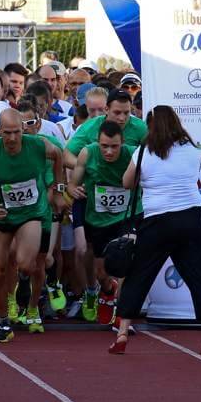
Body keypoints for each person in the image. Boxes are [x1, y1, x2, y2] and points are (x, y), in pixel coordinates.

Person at [113, 106, 201, 356]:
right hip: (192, 218)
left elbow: (127, 183)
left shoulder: (143, 152)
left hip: (158, 220)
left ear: (150, 126)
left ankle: (122, 333)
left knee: (139, 275)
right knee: (199, 275)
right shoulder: (192, 150)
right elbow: (194, 176)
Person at [0, 107, 65, 343]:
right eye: (6, 133)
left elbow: (59, 155)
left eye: (16, 132)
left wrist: (59, 190)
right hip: (0, 215)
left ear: (23, 129)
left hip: (32, 213)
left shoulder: (38, 145)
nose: (12, 138)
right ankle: (2, 321)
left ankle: (28, 300)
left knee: (25, 263)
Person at [68, 120, 139, 326]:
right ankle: (107, 292)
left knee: (124, 259)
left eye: (114, 146)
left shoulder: (133, 154)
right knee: (102, 273)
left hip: (126, 215)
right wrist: (72, 189)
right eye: (104, 146)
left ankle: (122, 313)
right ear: (97, 143)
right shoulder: (87, 153)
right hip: (98, 219)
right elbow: (73, 185)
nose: (109, 151)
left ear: (122, 143)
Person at [65, 89, 147, 169]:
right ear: (106, 109)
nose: (122, 118)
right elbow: (67, 156)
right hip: (97, 181)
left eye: (126, 113)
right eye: (117, 113)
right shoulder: (90, 127)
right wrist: (90, 169)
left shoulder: (141, 128)